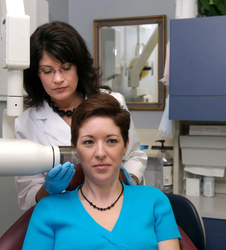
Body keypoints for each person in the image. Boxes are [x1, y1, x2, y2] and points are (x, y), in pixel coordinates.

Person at [15, 21, 147, 211]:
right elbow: (27, 198)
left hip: (119, 205)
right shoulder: (26, 123)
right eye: (47, 71)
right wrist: (48, 188)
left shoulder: (113, 102)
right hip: (64, 214)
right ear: (36, 74)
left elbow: (134, 155)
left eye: (66, 68)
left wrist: (127, 180)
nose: (58, 79)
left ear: (79, 67)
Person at [22, 93, 181, 250]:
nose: (100, 153)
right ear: (75, 147)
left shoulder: (154, 201)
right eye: (88, 142)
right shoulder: (49, 210)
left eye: (111, 141)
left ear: (125, 145)